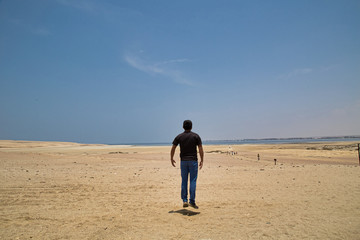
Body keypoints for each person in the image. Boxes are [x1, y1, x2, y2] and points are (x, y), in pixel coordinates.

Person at [170, 120, 204, 209]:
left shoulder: (179, 136)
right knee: (193, 181)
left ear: (183, 126)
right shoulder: (196, 136)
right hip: (193, 161)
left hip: (183, 162)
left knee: (184, 181)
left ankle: (185, 200)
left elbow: (173, 147)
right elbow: (200, 148)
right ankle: (192, 201)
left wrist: (171, 158)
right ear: (191, 126)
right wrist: (202, 160)